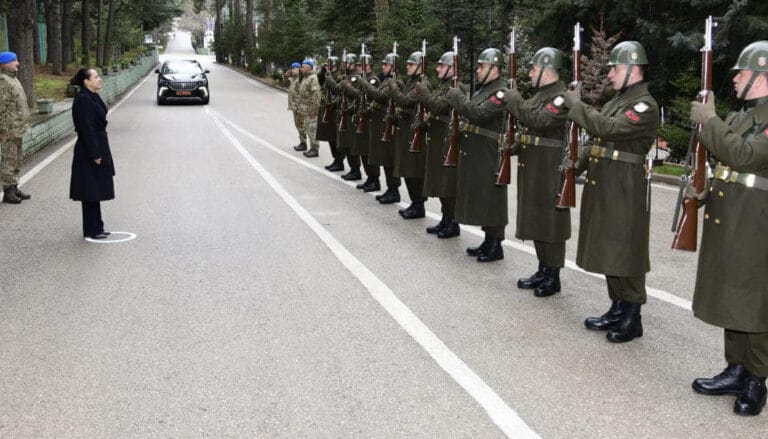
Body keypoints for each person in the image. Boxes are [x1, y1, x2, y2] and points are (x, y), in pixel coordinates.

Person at [688, 41, 768, 416]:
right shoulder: (742, 115)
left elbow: (745, 156)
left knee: (753, 302)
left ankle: (756, 378)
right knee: (732, 297)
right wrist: (704, 189)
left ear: (761, 76)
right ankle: (736, 367)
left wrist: (710, 120)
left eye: (741, 72)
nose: (735, 78)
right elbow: (726, 161)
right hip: (732, 216)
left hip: (756, 223)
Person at [562, 41, 659, 342]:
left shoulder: (645, 105)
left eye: (615, 68)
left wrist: (577, 106)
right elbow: (599, 139)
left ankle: (633, 315)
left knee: (626, 250)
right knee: (610, 247)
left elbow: (610, 129)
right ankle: (617, 307)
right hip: (608, 183)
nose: (610, 75)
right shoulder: (619, 100)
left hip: (626, 186)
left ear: (633, 69)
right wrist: (576, 162)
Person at [504, 47, 571, 297]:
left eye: (533, 69)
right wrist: (515, 144)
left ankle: (553, 275)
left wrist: (515, 101)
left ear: (546, 70)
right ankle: (543, 268)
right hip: (534, 165)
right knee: (536, 218)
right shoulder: (539, 95)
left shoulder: (561, 97)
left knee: (550, 221)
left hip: (549, 167)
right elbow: (531, 127)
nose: (530, 73)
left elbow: (539, 120)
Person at [446, 48, 509, 262]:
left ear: (494, 68)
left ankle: (496, 243)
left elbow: (478, 114)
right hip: (478, 149)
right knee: (482, 195)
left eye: (482, 66)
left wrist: (457, 97)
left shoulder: (501, 91)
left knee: (492, 196)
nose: (478, 71)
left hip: (489, 150)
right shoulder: (486, 89)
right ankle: (488, 240)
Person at [412, 49, 465, 238]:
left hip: (447, 140)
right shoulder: (445, 86)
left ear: (451, 68)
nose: (437, 69)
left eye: (441, 66)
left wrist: (423, 91)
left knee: (448, 183)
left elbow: (438, 106)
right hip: (438, 139)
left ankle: (453, 222)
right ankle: (446, 218)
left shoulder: (456, 88)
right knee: (441, 182)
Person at [69, 68, 115, 240]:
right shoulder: (82, 100)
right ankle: (91, 229)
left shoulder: (92, 96)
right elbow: (86, 129)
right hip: (88, 150)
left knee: (95, 189)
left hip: (98, 144)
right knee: (89, 190)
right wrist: (95, 153)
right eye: (96, 77)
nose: (99, 79)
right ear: (86, 81)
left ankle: (97, 226)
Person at [387, 50, 430, 219]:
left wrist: (393, 86)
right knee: (407, 168)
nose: (407, 66)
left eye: (411, 64)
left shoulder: (422, 83)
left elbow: (404, 100)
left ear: (420, 66)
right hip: (406, 129)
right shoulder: (411, 82)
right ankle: (415, 202)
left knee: (414, 169)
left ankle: (419, 204)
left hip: (415, 132)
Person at [359, 52, 401, 204]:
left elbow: (380, 97)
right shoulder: (386, 81)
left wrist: (363, 83)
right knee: (383, 157)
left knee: (389, 158)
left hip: (387, 124)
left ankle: (394, 189)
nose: (383, 67)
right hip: (380, 122)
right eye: (382, 64)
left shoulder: (395, 82)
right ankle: (389, 188)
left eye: (386, 64)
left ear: (393, 66)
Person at [346, 52, 381, 192]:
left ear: (368, 66)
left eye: (361, 65)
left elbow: (372, 97)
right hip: (361, 118)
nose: (359, 67)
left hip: (369, 120)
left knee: (368, 151)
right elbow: (359, 98)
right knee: (362, 150)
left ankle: (374, 179)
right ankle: (369, 178)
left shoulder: (373, 80)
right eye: (359, 65)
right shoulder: (362, 79)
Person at [0, 51, 31, 204]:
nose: (17, 63)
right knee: (9, 159)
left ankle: (14, 186)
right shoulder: (3, 81)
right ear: (5, 63)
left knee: (17, 159)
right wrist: (2, 130)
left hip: (18, 128)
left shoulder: (13, 79)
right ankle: (8, 191)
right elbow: (1, 108)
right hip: (9, 130)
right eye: (14, 61)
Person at [317, 56, 346, 171]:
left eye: (329, 65)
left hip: (335, 110)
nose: (327, 67)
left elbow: (339, 93)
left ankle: (340, 160)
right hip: (327, 109)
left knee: (335, 137)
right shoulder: (327, 74)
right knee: (329, 136)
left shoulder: (339, 76)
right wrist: (323, 71)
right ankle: (335, 159)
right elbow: (320, 82)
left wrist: (332, 104)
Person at [296, 59, 322, 157]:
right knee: (308, 128)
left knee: (312, 129)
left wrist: (313, 110)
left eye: (303, 66)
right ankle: (311, 147)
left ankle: (315, 149)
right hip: (305, 109)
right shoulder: (305, 77)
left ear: (309, 67)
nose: (301, 68)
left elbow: (316, 95)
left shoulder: (313, 78)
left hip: (311, 110)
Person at [286, 62, 305, 151]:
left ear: (299, 69)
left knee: (301, 125)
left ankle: (303, 143)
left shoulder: (300, 79)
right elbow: (287, 75)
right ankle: (302, 142)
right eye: (292, 68)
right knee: (298, 125)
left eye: (295, 69)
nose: (293, 70)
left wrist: (298, 105)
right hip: (294, 106)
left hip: (298, 106)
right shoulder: (294, 79)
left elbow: (301, 94)